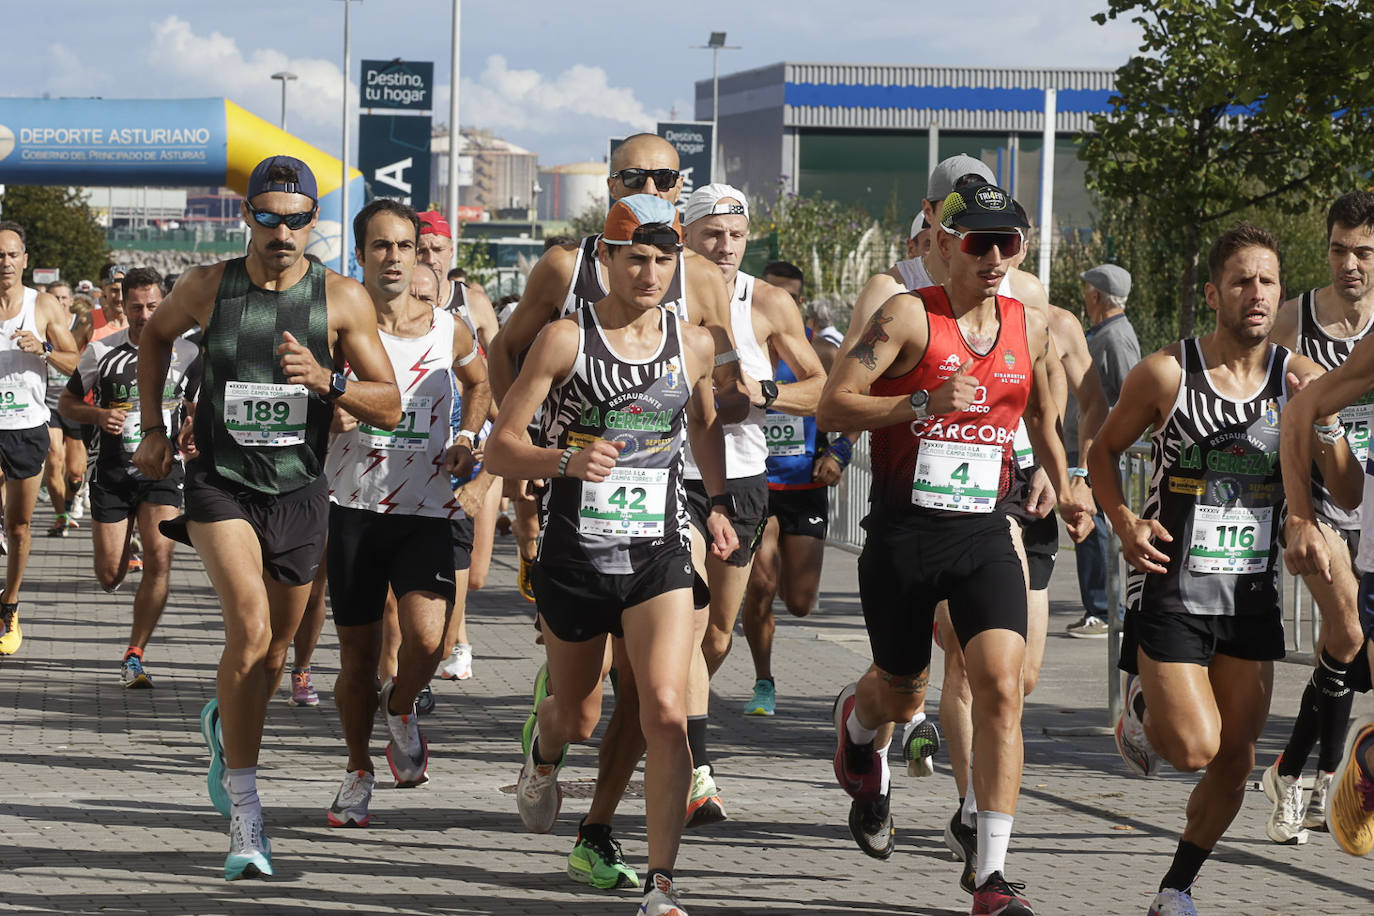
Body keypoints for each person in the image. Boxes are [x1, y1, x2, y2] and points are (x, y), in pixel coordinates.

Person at [818, 182, 1090, 916]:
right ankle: (858, 725)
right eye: (980, 242)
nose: (997, 256)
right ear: (942, 243)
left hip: (984, 530)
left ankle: (992, 877)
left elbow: (1043, 420)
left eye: (1012, 242)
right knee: (901, 690)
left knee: (1003, 686)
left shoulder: (1028, 328)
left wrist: (1070, 487)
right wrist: (919, 403)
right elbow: (834, 404)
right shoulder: (906, 317)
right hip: (904, 533)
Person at [131, 155, 401, 879]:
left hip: (300, 489)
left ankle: (227, 718)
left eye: (298, 218)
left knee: (275, 654)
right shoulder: (207, 286)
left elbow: (390, 401)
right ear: (247, 216)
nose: (283, 231)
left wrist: (329, 381)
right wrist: (152, 426)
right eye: (270, 216)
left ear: (315, 222)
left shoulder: (341, 299)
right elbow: (153, 337)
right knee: (248, 633)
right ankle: (247, 815)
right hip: (220, 482)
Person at [1090, 222, 1357, 914]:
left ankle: (1174, 889)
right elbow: (1102, 452)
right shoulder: (1168, 374)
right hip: (1173, 589)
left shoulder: (1299, 378)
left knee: (1236, 758)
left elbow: (1351, 490)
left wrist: (1322, 420)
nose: (1257, 294)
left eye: (1268, 280)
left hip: (1251, 596)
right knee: (1193, 748)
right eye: (1242, 281)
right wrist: (1124, 522)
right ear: (1213, 293)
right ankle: (1143, 705)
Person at [485, 194, 738, 916]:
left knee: (663, 707)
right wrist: (564, 459)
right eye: (637, 258)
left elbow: (705, 424)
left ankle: (661, 884)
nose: (651, 273)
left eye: (664, 260)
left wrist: (716, 505)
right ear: (606, 259)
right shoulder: (567, 338)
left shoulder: (691, 342)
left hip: (657, 548)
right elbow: (502, 447)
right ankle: (543, 751)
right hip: (575, 553)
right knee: (581, 716)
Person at [322, 198, 490, 824]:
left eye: (404, 247)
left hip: (427, 507)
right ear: (360, 255)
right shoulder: (336, 328)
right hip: (354, 508)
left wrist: (469, 438)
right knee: (358, 661)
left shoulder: (449, 328)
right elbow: (303, 393)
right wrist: (328, 410)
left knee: (427, 640)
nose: (393, 258)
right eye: (380, 247)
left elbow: (480, 385)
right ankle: (357, 771)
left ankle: (402, 705)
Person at [1261, 190, 1374, 843]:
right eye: (1338, 249)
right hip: (1311, 503)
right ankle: (1332, 782)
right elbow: (1250, 391)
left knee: (1345, 652)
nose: (1349, 264)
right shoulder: (1291, 320)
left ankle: (1288, 772)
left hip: (1368, 502)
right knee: (1350, 631)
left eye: (1363, 252)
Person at [58, 266, 200, 687]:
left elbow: (196, 410)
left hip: (162, 471)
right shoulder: (101, 353)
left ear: (165, 304)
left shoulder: (188, 354)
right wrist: (99, 414)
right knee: (109, 576)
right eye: (136, 306)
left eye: (153, 305)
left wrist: (193, 438)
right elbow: (67, 404)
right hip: (113, 472)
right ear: (123, 305)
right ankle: (123, 545)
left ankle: (135, 653)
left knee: (160, 558)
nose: (144, 314)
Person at [0, 221, 81, 657]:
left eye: (12, 255)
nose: (5, 263)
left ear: (25, 260)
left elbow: (78, 365)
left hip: (27, 425)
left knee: (19, 526)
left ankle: (9, 603)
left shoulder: (44, 305)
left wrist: (44, 350)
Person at [1064, 263, 1142, 638]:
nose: (1084, 297)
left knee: (1094, 528)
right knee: (1089, 527)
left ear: (1095, 295)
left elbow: (1132, 395)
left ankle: (1105, 610)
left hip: (1097, 451)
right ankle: (1099, 607)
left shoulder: (1115, 338)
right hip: (1088, 449)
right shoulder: (1106, 333)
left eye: (1085, 290)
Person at [42, 279, 93, 536]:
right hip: (47, 403)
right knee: (53, 459)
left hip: (75, 402)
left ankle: (73, 497)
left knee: (74, 470)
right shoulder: (39, 324)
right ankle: (60, 515)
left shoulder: (82, 325)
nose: (59, 303)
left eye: (63, 298)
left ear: (70, 301)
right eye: (54, 298)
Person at [93, 263, 129, 339]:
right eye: (114, 290)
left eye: (124, 290)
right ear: (104, 289)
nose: (120, 298)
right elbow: (71, 350)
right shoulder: (89, 321)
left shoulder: (140, 321)